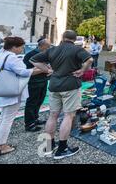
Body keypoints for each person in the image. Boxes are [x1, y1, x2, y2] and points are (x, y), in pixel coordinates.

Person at [31, 30, 93, 160]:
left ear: (63, 38)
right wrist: (82, 70)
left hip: (54, 85)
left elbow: (34, 60)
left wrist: (48, 70)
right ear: (74, 39)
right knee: (68, 115)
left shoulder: (52, 49)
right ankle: (62, 148)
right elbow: (90, 59)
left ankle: (49, 146)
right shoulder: (76, 49)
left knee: (53, 115)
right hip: (70, 85)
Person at [0, 37, 46, 158]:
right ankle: (2, 146)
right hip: (12, 90)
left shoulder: (2, 54)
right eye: (21, 47)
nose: (22, 50)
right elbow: (23, 72)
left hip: (4, 88)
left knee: (3, 117)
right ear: (14, 47)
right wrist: (40, 69)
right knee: (8, 119)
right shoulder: (12, 58)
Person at [23, 38, 51, 132]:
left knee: (39, 100)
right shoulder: (30, 55)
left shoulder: (44, 54)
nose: (49, 47)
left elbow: (46, 65)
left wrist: (47, 68)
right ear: (42, 45)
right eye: (48, 46)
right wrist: (46, 69)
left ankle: (35, 118)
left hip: (43, 80)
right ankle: (29, 124)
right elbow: (28, 70)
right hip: (34, 82)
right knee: (32, 102)